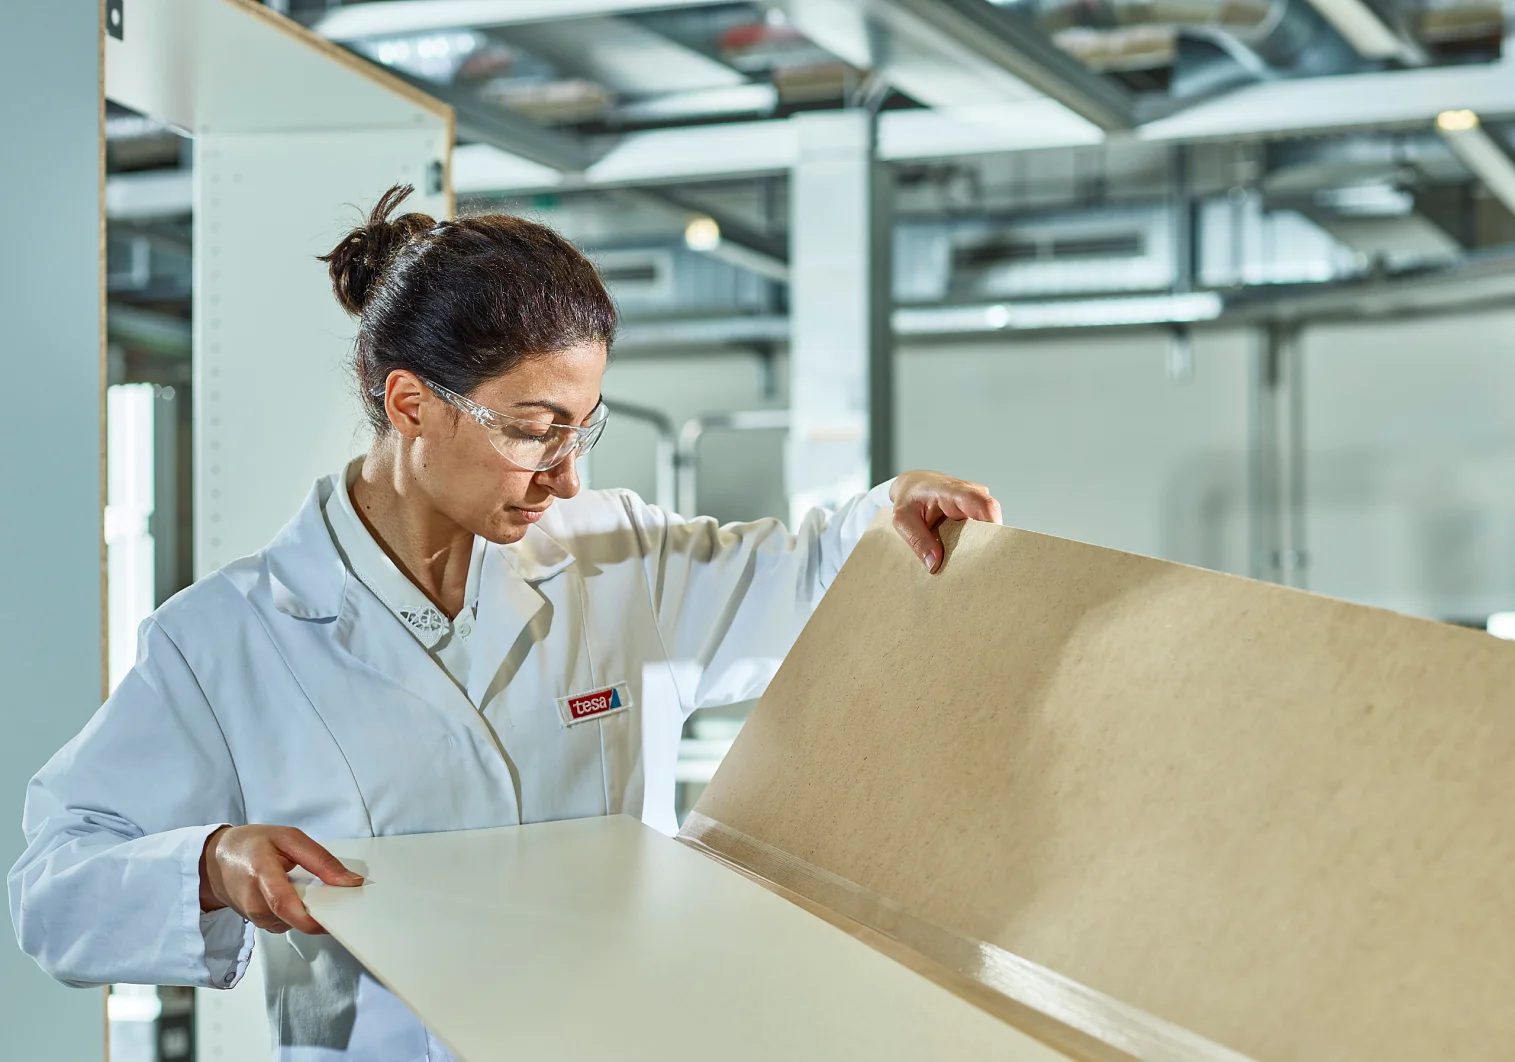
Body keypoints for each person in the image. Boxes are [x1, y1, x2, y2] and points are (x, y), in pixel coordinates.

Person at [9, 186, 1002, 1061]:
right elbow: (52, 888)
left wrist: (891, 512)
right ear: (410, 405)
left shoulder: (618, 558)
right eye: (535, 431)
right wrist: (211, 863)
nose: (568, 475)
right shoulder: (227, 639)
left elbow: (812, 582)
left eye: (584, 426)